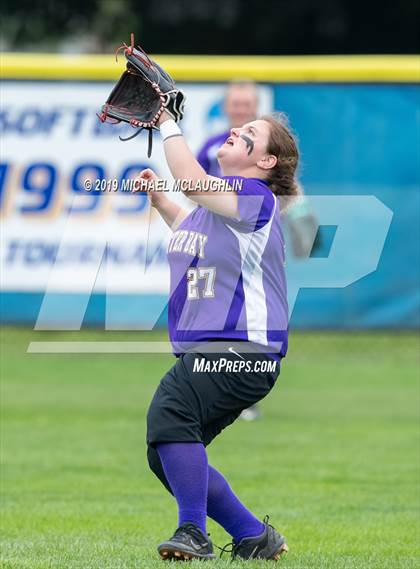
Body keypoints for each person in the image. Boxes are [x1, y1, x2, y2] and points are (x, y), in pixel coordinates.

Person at [138, 107, 299, 561]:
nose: (236, 131)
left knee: (172, 411)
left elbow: (190, 181)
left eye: (250, 134)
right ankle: (254, 536)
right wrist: (161, 201)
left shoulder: (256, 196)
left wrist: (166, 120)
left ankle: (192, 531)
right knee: (166, 450)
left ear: (267, 163)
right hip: (232, 353)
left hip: (240, 349)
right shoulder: (224, 210)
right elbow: (193, 233)